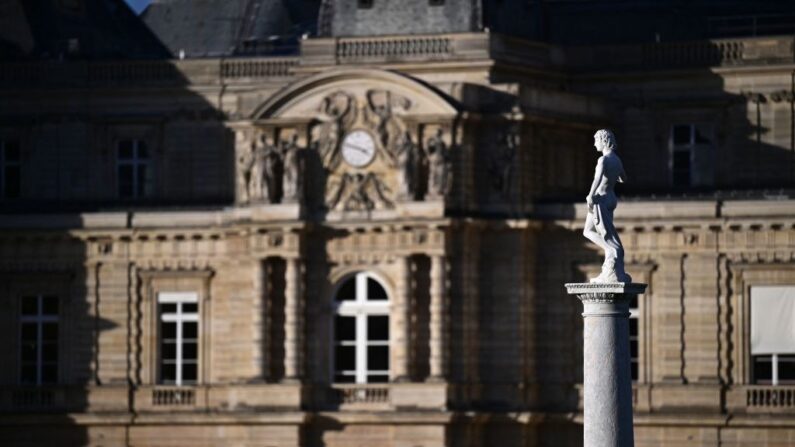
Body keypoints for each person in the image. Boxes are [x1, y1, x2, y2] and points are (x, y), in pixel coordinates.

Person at [583, 129, 631, 283]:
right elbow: (623, 178)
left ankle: (612, 250)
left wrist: (591, 195)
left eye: (596, 140)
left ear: (604, 140)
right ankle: (612, 255)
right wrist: (612, 177)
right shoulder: (617, 160)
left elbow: (597, 179)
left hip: (600, 198)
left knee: (589, 231)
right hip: (611, 197)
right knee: (606, 231)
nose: (595, 144)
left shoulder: (603, 160)